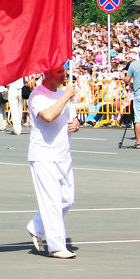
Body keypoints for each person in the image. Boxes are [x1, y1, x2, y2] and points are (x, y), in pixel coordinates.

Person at [24, 66, 80, 259]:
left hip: (63, 154)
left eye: (63, 72)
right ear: (46, 74)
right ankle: (57, 246)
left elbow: (70, 119)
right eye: (58, 72)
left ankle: (36, 226)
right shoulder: (37, 95)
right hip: (43, 155)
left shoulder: (64, 93)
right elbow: (48, 117)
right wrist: (65, 98)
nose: (63, 75)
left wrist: (75, 124)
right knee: (52, 201)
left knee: (68, 199)